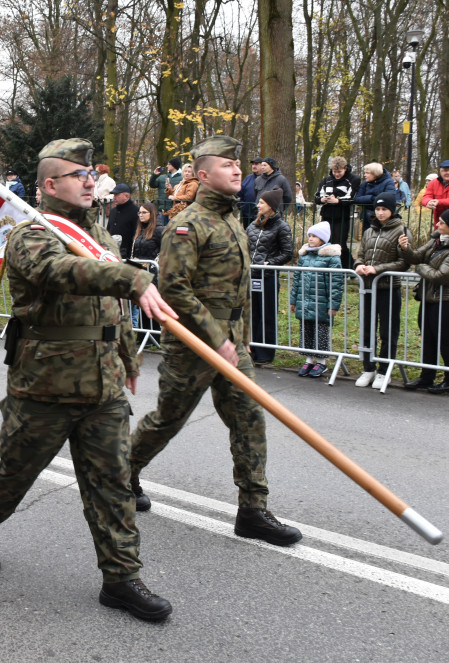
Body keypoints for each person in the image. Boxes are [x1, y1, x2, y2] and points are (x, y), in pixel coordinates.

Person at [0, 137, 178, 627]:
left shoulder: (98, 235)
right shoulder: (31, 234)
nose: (88, 180)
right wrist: (129, 277)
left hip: (101, 387)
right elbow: (58, 272)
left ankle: (121, 578)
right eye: (77, 175)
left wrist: (126, 356)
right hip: (45, 387)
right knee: (14, 474)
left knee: (113, 484)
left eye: (90, 174)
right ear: (49, 185)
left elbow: (110, 310)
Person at [129, 135, 303, 547]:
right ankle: (121, 475)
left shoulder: (232, 219)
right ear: (204, 175)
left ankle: (253, 510)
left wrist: (236, 339)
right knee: (167, 421)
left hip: (232, 342)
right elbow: (173, 289)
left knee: (248, 418)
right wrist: (214, 336)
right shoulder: (187, 225)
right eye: (228, 165)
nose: (238, 170)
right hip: (194, 344)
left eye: (239, 165)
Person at [400, 206, 449, 394]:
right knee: (428, 338)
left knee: (445, 340)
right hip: (429, 296)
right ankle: (426, 376)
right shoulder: (437, 240)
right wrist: (406, 248)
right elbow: (416, 257)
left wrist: (421, 268)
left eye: (443, 222)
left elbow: (441, 276)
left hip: (447, 299)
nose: (438, 224)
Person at [352, 192, 410, 390]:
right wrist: (359, 265)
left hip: (388, 288)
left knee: (388, 331)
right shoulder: (369, 231)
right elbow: (360, 254)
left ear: (392, 211)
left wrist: (379, 269)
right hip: (368, 288)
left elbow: (404, 262)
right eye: (378, 209)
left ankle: (385, 370)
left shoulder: (401, 231)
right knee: (367, 329)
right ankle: (368, 368)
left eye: (384, 209)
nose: (380, 212)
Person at [289, 221, 343, 379]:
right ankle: (308, 359)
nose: (311, 239)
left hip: (321, 304)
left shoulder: (331, 258)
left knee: (321, 332)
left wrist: (332, 305)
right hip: (304, 302)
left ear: (323, 239)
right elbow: (297, 279)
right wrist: (293, 300)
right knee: (306, 331)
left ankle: (322, 361)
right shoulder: (305, 256)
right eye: (309, 236)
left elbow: (336, 284)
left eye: (315, 236)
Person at [246, 190, 293, 364]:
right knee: (252, 314)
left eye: (262, 203)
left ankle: (265, 353)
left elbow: (287, 253)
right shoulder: (253, 225)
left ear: (271, 206)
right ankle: (250, 349)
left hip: (267, 277)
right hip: (250, 275)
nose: (258, 205)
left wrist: (269, 262)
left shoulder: (282, 227)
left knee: (267, 314)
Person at [315, 156, 362, 267]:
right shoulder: (326, 180)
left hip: (342, 216)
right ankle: (330, 266)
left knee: (340, 244)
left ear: (345, 168)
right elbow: (317, 197)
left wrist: (338, 201)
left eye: (339, 172)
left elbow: (352, 198)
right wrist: (323, 200)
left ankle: (349, 266)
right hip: (326, 215)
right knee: (326, 242)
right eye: (334, 172)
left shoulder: (353, 179)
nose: (336, 174)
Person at [130, 201, 163, 331]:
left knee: (150, 304)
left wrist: (151, 263)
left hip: (152, 272)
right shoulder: (140, 230)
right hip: (141, 271)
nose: (141, 215)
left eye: (144, 212)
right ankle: (143, 335)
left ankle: (153, 335)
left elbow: (164, 250)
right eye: (139, 212)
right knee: (141, 303)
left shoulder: (159, 230)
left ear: (152, 213)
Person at [420, 159, 449, 231]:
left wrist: (438, 202)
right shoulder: (434, 182)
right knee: (438, 240)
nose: (448, 173)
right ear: (440, 172)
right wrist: (428, 202)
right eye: (445, 170)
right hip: (439, 221)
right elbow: (426, 196)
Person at [353, 162, 395, 233]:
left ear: (375, 174)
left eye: (367, 173)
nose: (365, 175)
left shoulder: (388, 182)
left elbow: (387, 199)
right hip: (367, 217)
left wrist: (369, 199)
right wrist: (372, 198)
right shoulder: (365, 183)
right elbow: (357, 199)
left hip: (382, 217)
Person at [105, 183, 138, 259]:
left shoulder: (135, 211)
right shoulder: (113, 211)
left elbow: (136, 234)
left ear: (126, 196)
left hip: (127, 254)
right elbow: (108, 231)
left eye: (117, 195)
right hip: (112, 252)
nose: (114, 198)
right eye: (114, 195)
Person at [239, 157, 261, 226]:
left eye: (256, 164)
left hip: (261, 216)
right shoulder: (248, 178)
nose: (254, 166)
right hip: (247, 216)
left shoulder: (267, 179)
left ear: (262, 165)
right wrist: (242, 206)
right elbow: (239, 194)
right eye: (253, 164)